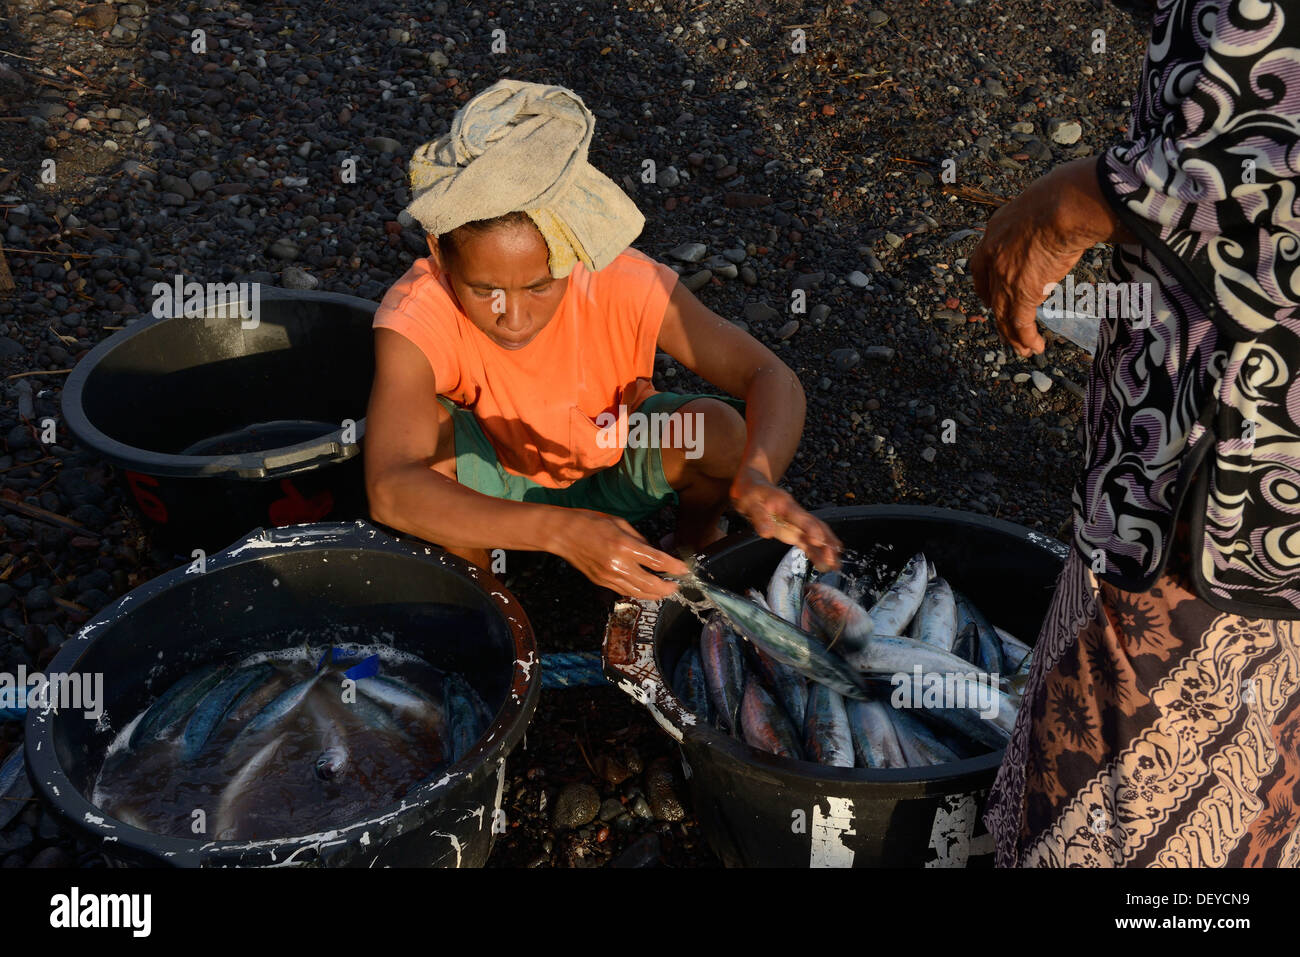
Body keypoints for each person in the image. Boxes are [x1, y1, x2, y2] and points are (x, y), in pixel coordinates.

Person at [973, 0, 1300, 866]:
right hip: (1186, 438)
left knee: (1131, 827)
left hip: (1235, 493)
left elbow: (1266, 167)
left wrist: (1085, 199)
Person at [364, 80, 840, 601]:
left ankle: (695, 548)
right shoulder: (417, 313)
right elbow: (391, 488)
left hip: (613, 456)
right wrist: (560, 532)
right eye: (484, 291)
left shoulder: (623, 281)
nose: (514, 318)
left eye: (541, 286)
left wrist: (758, 475)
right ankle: (485, 594)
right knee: (426, 438)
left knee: (718, 432)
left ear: (571, 253)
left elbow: (770, 376)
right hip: (492, 484)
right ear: (438, 252)